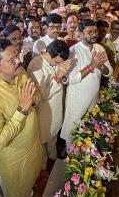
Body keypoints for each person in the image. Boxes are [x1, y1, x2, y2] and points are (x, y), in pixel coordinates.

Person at [0, 39, 42, 197]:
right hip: (14, 163)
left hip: (33, 148)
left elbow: (37, 94)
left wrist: (32, 100)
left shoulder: (20, 73)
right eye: (12, 60)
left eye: (17, 56)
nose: (19, 61)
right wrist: (23, 109)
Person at [61, 19, 113, 146]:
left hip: (93, 98)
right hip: (77, 99)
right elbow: (72, 79)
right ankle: (70, 157)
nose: (94, 34)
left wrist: (100, 66)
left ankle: (85, 156)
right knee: (72, 133)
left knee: (88, 129)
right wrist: (92, 65)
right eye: (90, 32)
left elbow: (109, 72)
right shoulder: (73, 51)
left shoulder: (99, 48)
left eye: (95, 31)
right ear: (81, 33)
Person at [27, 40, 72, 168]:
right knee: (43, 141)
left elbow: (63, 78)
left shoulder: (56, 60)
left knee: (53, 138)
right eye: (57, 62)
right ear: (49, 54)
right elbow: (41, 95)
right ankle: (43, 168)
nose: (59, 64)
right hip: (44, 111)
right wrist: (58, 75)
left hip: (56, 108)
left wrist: (62, 75)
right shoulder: (36, 66)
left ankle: (53, 158)